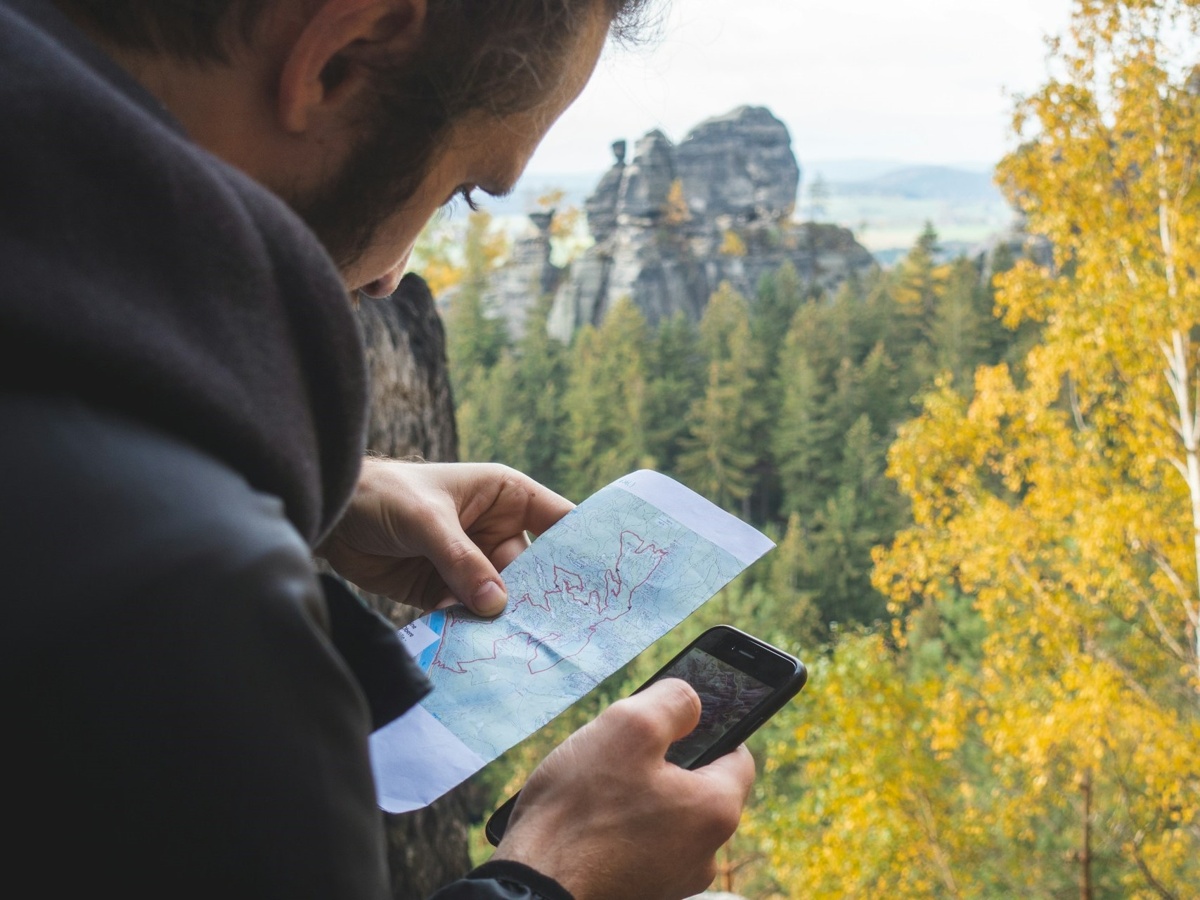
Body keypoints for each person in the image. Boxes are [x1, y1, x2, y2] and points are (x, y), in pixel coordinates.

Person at [0, 1, 757, 898]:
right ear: (337, 60)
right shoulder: (190, 622)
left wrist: (316, 492)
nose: (397, 272)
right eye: (462, 186)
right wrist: (553, 877)